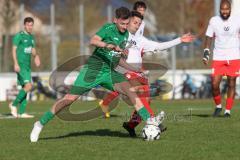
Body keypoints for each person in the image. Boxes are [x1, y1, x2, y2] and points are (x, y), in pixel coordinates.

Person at [30, 7, 163, 143]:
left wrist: (134, 69)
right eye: (122, 24)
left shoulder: (126, 36)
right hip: (92, 71)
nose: (124, 27)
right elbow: (93, 40)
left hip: (109, 73)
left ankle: (150, 121)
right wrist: (107, 45)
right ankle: (39, 124)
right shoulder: (108, 28)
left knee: (131, 92)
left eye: (127, 23)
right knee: (68, 100)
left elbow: (117, 60)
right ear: (115, 20)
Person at [99, 11, 195, 137]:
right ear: (127, 22)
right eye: (135, 22)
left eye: (139, 23)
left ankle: (130, 125)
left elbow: (159, 46)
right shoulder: (119, 36)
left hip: (139, 74)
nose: (137, 25)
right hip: (125, 73)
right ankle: (155, 122)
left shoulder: (140, 40)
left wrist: (179, 40)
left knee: (145, 102)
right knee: (140, 98)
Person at [99, 1, 147, 118]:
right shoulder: (129, 21)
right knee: (125, 83)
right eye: (140, 10)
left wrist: (141, 50)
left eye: (143, 10)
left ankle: (105, 103)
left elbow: (138, 39)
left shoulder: (142, 23)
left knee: (125, 84)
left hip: (134, 55)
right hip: (125, 56)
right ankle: (144, 113)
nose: (142, 12)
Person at [203, 0, 240, 117]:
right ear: (220, 9)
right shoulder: (214, 20)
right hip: (218, 57)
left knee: (232, 83)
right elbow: (209, 37)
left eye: (227, 9)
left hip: (234, 56)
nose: (225, 11)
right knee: (214, 84)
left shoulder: (237, 20)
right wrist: (206, 53)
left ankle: (227, 111)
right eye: (223, 9)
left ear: (230, 9)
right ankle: (218, 106)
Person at [9, 17, 41, 118]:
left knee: (25, 88)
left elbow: (33, 49)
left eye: (31, 25)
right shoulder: (19, 36)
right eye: (28, 25)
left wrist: (36, 56)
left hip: (27, 66)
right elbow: (13, 50)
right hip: (21, 65)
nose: (30, 27)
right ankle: (13, 104)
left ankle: (22, 112)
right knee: (29, 86)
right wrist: (15, 63)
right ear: (24, 25)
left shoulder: (31, 37)